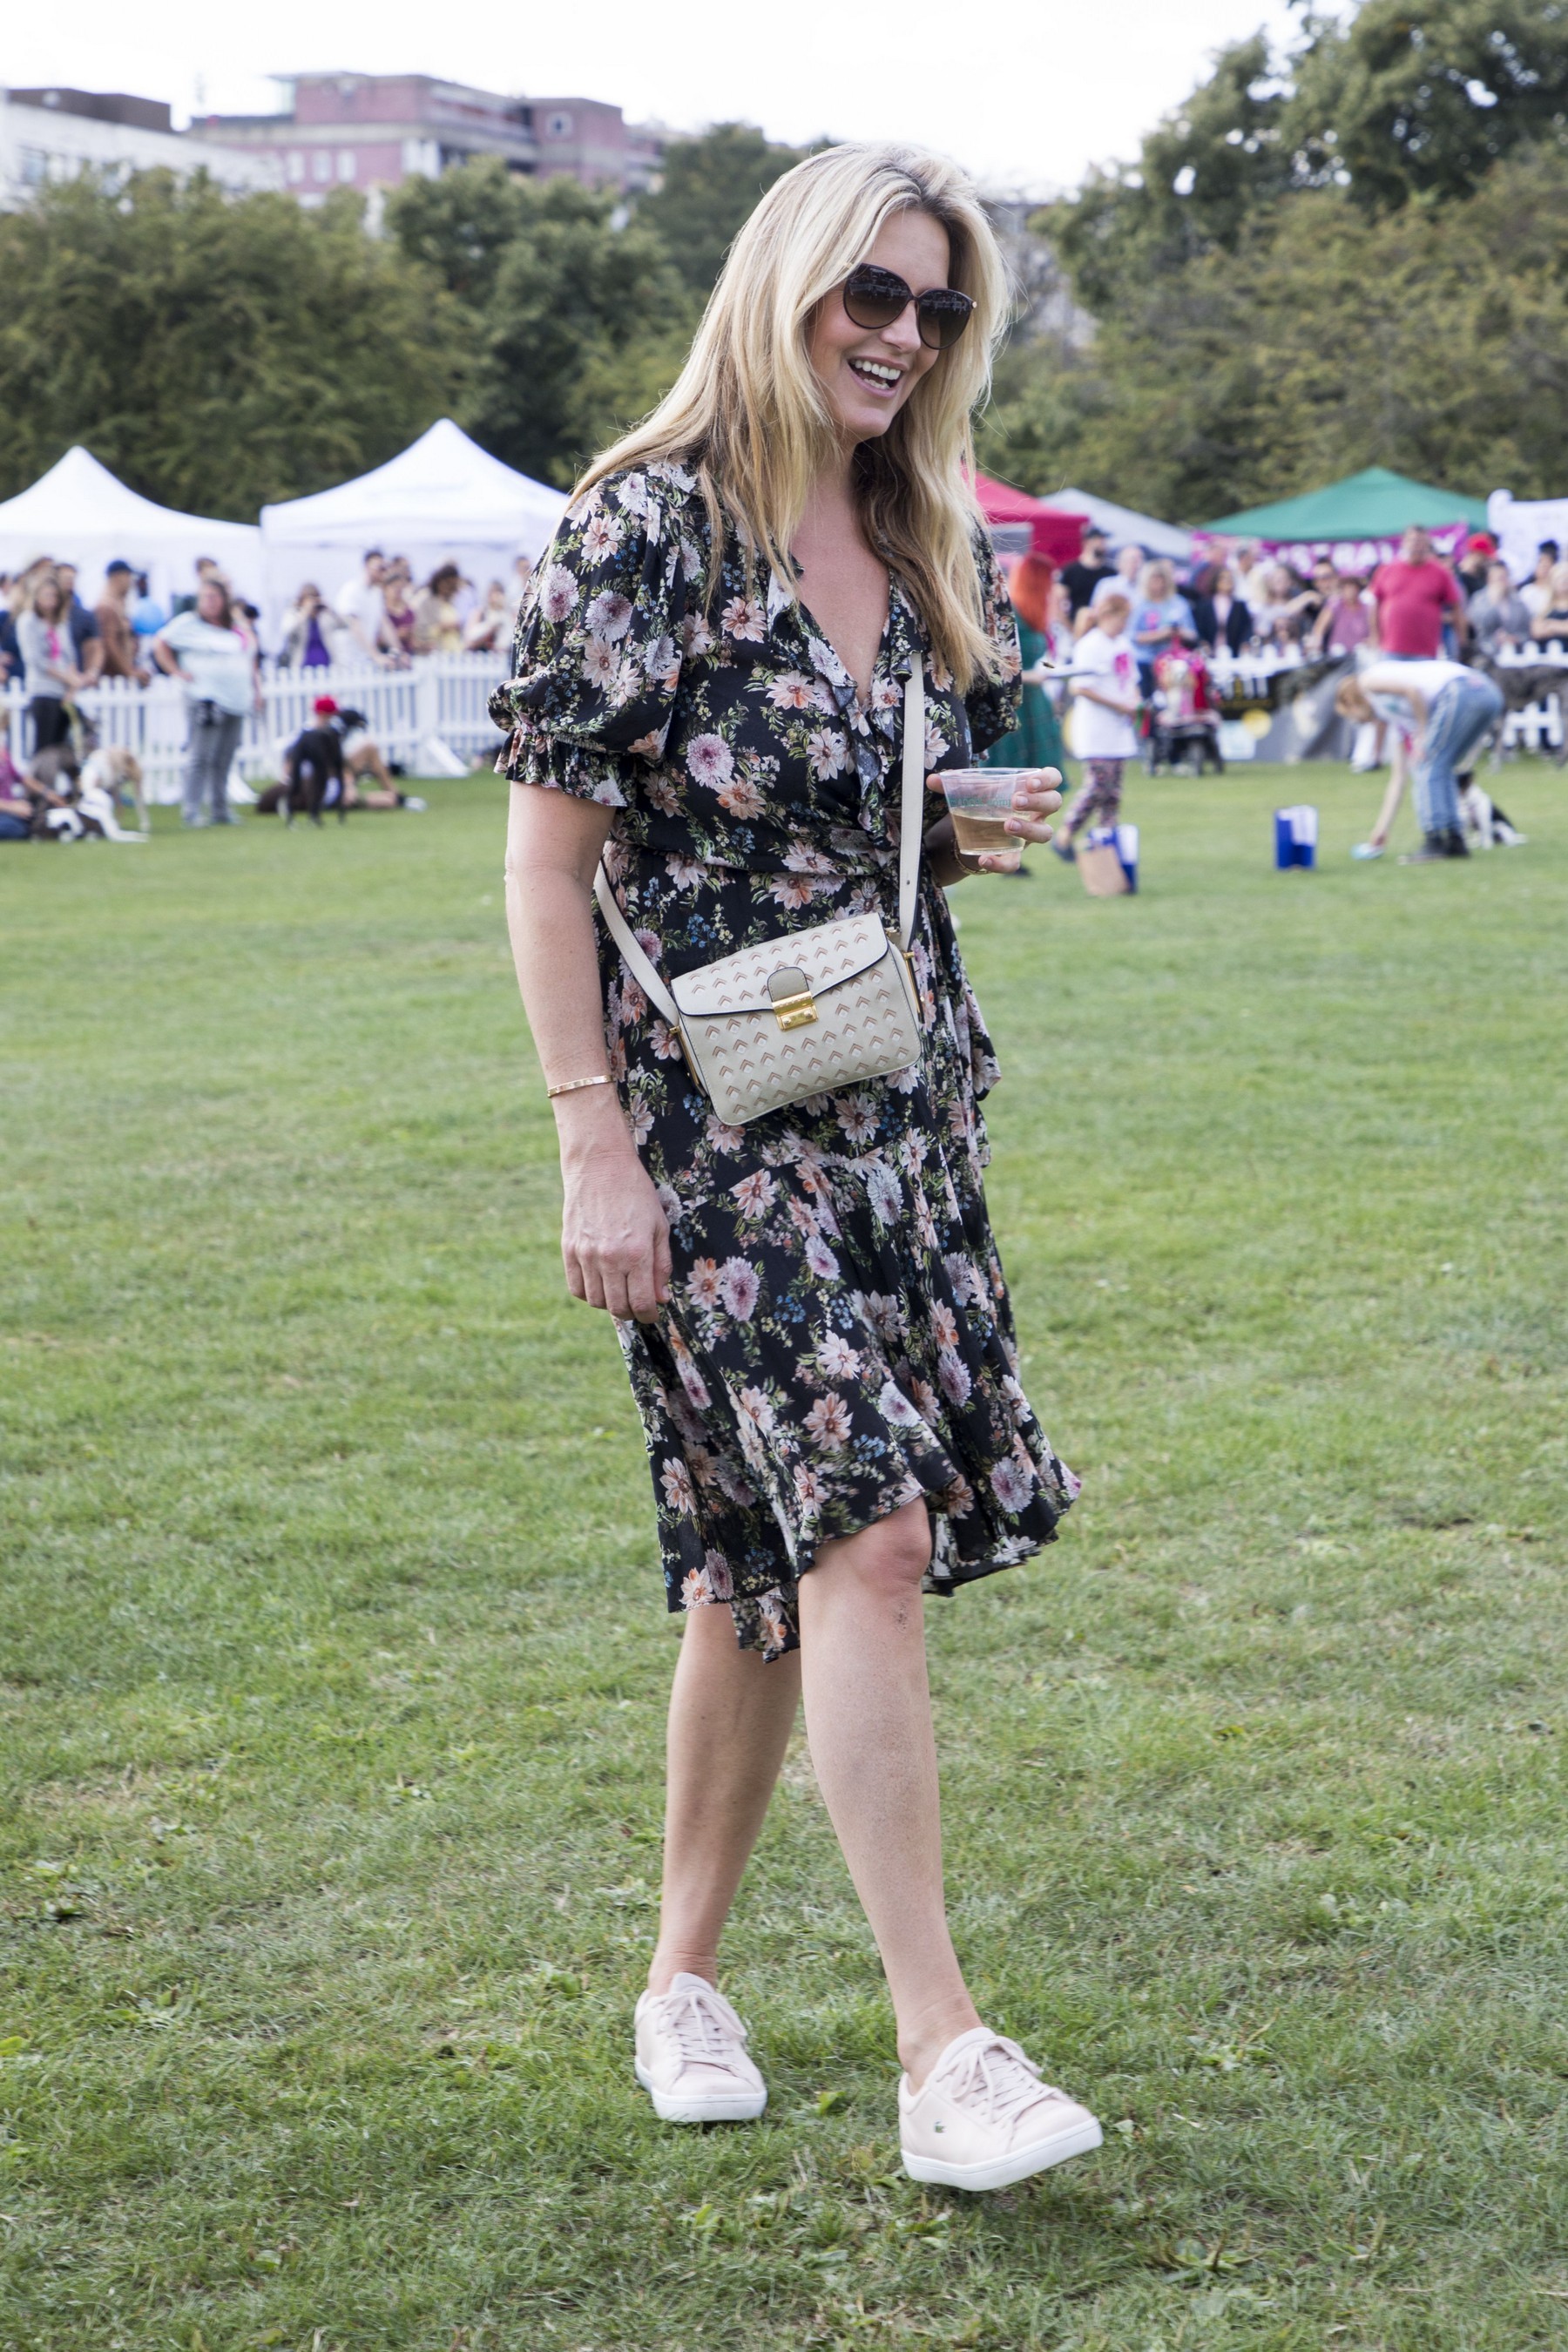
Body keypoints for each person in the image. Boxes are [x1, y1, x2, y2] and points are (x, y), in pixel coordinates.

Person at [495, 140, 1102, 2194]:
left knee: (760, 1571)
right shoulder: (646, 528)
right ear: (787, 286)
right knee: (868, 1533)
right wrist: (589, 1139)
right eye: (873, 292)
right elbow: (550, 866)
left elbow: (872, 817)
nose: (904, 335)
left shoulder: (916, 524)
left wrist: (966, 831)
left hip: (889, 1103)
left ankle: (680, 1978)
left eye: (939, 307)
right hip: (703, 1122)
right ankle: (947, 2051)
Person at [1335, 658, 1504, 863]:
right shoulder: (1397, 715)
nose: (1358, 721)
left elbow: (1412, 690)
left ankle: (1434, 839)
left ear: (1350, 701)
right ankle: (1454, 840)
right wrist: (1381, 829)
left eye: (1351, 715)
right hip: (1487, 692)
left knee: (1428, 762)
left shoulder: (1367, 681)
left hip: (1461, 690)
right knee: (1441, 765)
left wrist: (1423, 733)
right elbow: (1398, 779)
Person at [152, 577, 260, 827]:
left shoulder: (234, 628)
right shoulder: (188, 624)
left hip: (236, 699)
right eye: (205, 597)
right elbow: (161, 642)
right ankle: (191, 810)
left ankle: (220, 809)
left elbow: (250, 655)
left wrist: (256, 690)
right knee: (201, 755)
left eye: (215, 597)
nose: (210, 602)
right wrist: (175, 671)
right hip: (206, 698)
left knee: (224, 757)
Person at [1051, 586, 1139, 861]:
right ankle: (1066, 834)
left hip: (1118, 728)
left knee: (1113, 792)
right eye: (1122, 618)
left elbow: (1131, 679)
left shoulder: (1123, 644)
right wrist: (1118, 704)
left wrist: (1134, 701)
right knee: (1097, 787)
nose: (1124, 624)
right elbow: (1080, 687)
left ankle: (1107, 841)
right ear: (1108, 615)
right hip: (1097, 727)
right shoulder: (1090, 645)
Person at [15, 571, 85, 753]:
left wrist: (72, 688)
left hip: (63, 693)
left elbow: (69, 655)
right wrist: (67, 678)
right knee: (44, 748)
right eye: (46, 595)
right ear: (36, 596)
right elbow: (36, 660)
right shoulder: (28, 621)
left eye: (54, 596)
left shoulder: (60, 623)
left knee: (63, 749)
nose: (51, 601)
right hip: (43, 691)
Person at [1370, 525, 1463, 659]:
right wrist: (1375, 636)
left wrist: (1461, 641)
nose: (1416, 545)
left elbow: (1456, 607)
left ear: (1427, 544)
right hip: (1391, 648)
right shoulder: (1388, 570)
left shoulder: (1439, 573)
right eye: (1412, 540)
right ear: (1404, 543)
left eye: (1421, 541)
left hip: (1425, 651)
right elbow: (1375, 604)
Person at [94, 559, 149, 683]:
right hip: (112, 680)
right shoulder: (106, 606)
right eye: (128, 577)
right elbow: (109, 644)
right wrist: (130, 673)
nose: (131, 582)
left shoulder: (118, 604)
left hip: (121, 677)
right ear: (117, 577)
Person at [1468, 560, 1533, 659]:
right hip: (1486, 654)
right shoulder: (1479, 599)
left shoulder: (1517, 600)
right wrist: (1494, 602)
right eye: (1498, 578)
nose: (1502, 581)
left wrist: (1515, 639)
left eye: (1504, 577)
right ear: (1489, 578)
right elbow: (1478, 625)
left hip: (1515, 653)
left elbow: (1527, 631)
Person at [333, 550, 389, 663]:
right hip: (348, 658)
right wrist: (375, 655)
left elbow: (384, 624)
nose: (383, 572)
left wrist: (399, 651)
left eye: (384, 568)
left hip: (366, 657)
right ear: (367, 566)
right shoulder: (351, 590)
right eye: (379, 568)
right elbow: (354, 625)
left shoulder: (376, 593)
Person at [1189, 563, 1252, 657]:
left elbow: (1247, 628)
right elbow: (1198, 629)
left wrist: (1245, 644)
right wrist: (1202, 643)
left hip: (1234, 654)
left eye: (1229, 578)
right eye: (1223, 578)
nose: (1227, 581)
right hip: (1209, 653)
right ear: (1216, 581)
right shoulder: (1204, 605)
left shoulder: (1239, 606)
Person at [280, 584, 347, 670]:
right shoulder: (294, 614)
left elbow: (344, 625)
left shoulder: (325, 616)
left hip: (326, 665)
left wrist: (329, 609)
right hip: (301, 665)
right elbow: (287, 631)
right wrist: (304, 613)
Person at [1059, 524, 1114, 617]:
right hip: (1075, 622)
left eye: (1104, 540)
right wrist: (1069, 625)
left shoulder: (1111, 573)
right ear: (1087, 543)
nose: (1103, 544)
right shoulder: (1071, 571)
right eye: (1099, 540)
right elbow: (1058, 602)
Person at [413, 564, 465, 653]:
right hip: (434, 653)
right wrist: (441, 627)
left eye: (453, 585)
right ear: (439, 582)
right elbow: (420, 631)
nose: (449, 588)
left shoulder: (452, 603)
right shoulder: (427, 602)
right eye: (447, 583)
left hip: (454, 652)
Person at [1527, 559, 1568, 652]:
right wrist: (1562, 627)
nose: (1564, 582)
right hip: (1546, 655)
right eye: (1560, 578)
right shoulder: (1544, 606)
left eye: (1567, 578)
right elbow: (1536, 631)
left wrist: (1550, 625)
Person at [463, 579, 514, 652]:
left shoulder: (508, 614)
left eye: (499, 593)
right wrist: (490, 628)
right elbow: (469, 641)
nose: (497, 597)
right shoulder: (480, 613)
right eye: (494, 593)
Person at [1518, 541, 1559, 619]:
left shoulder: (1560, 592)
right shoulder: (1527, 591)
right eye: (1541, 563)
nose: (1545, 568)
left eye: (1548, 564)